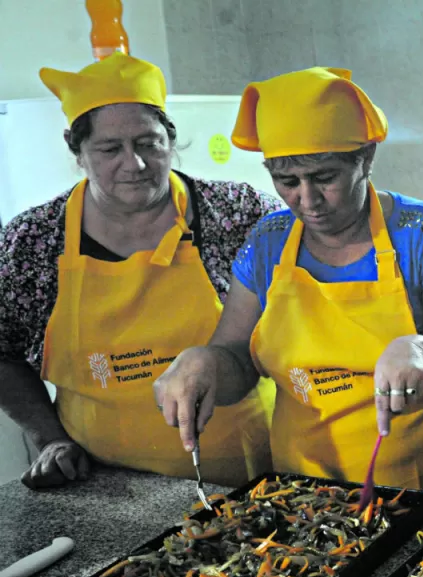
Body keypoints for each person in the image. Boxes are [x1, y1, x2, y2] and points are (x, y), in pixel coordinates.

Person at [154, 68, 423, 503]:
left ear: (366, 158)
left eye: (324, 177)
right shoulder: (268, 243)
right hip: (303, 488)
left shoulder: (420, 233)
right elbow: (237, 365)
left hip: (421, 487)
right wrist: (204, 363)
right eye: (287, 181)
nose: (307, 200)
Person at [0, 54, 278, 489]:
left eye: (149, 143)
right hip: (109, 490)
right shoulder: (32, 242)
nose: (136, 164)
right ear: (77, 151)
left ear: (170, 140)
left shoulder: (239, 213)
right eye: (110, 149)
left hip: (249, 474)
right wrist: (50, 439)